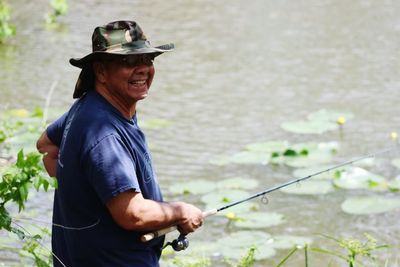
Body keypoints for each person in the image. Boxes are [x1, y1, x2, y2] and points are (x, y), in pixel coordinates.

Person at [36, 20, 204, 267]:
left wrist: (82, 193)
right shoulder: (105, 136)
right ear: (101, 72)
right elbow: (133, 215)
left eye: (148, 60)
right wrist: (181, 211)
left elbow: (47, 146)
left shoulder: (88, 107)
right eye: (128, 62)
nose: (143, 69)